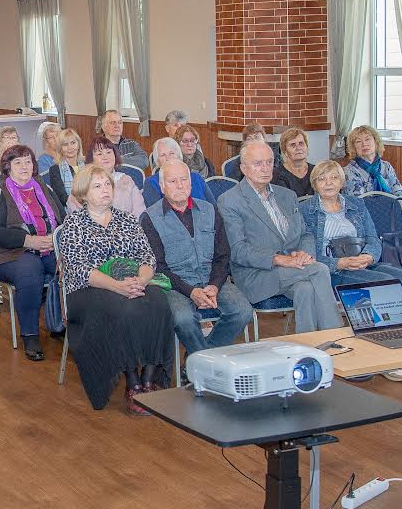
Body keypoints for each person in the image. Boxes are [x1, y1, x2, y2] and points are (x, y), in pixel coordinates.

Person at [57, 165, 174, 411]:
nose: (105, 190)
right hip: (88, 289)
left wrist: (140, 282)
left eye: (107, 185)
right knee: (124, 309)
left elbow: (148, 258)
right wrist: (117, 286)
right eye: (97, 186)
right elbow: (79, 270)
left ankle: (149, 378)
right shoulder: (74, 224)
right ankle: (132, 382)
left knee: (159, 302)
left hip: (132, 281)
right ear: (83, 193)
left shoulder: (128, 219)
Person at [299, 162, 402, 381]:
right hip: (332, 269)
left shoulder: (356, 204)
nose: (328, 183)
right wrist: (340, 263)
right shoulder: (306, 210)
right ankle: (382, 357)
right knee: (383, 283)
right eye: (322, 179)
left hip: (362, 261)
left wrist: (369, 256)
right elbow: (309, 254)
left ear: (342, 181)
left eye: (333, 178)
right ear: (314, 184)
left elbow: (373, 238)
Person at [218, 141, 342, 333]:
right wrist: (279, 259)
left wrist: (303, 254)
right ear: (243, 168)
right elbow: (238, 250)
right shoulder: (230, 200)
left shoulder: (287, 195)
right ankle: (336, 336)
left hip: (295, 267)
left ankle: (308, 346)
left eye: (269, 162)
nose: (265, 168)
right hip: (257, 274)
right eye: (258, 163)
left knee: (305, 290)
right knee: (319, 270)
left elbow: (305, 234)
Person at [141, 160, 254, 355]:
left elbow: (223, 255)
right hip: (175, 285)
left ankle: (198, 360)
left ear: (191, 183)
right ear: (162, 187)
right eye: (173, 181)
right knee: (183, 318)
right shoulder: (150, 218)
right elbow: (158, 267)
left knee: (242, 311)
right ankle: (205, 363)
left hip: (211, 279)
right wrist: (191, 291)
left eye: (184, 180)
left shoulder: (209, 210)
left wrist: (215, 285)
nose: (180, 185)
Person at [0, 145, 66, 359]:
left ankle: (62, 323)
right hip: (9, 253)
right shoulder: (0, 192)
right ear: (7, 167)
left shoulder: (44, 188)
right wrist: (30, 240)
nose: (24, 166)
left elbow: (63, 218)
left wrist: (54, 239)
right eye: (18, 162)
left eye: (28, 161)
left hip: (49, 248)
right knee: (30, 270)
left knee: (71, 269)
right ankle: (30, 335)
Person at [69, 137, 145, 218]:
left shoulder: (126, 180)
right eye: (99, 154)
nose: (105, 157)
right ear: (91, 159)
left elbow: (140, 211)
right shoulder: (83, 181)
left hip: (127, 228)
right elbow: (75, 210)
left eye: (109, 152)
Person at [342, 125, 402, 198]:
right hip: (366, 209)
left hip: (392, 207)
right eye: (358, 141)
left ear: (376, 142)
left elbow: (399, 192)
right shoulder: (349, 171)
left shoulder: (386, 166)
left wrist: (400, 204)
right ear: (354, 148)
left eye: (367, 139)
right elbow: (358, 203)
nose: (364, 144)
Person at [143, 137, 208, 206]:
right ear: (157, 161)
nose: (168, 158)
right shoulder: (151, 182)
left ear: (179, 156)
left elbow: (213, 207)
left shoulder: (196, 178)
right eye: (163, 155)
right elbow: (155, 212)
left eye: (171, 153)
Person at [165, 110, 212, 178]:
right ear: (167, 128)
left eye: (182, 125)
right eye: (175, 125)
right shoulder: (164, 147)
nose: (179, 128)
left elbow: (202, 166)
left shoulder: (194, 144)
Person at [43, 128, 81, 206]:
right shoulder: (55, 170)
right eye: (65, 144)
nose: (70, 147)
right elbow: (62, 198)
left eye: (73, 143)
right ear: (60, 148)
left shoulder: (87, 165)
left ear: (78, 145)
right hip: (70, 211)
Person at [272, 127, 315, 198]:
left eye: (301, 143)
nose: (298, 148)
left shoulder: (317, 171)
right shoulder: (276, 175)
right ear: (285, 152)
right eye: (293, 145)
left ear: (307, 147)